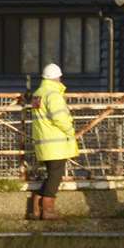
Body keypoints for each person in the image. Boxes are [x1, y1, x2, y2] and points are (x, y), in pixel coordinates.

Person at [28, 62, 78, 221]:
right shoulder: (53, 95)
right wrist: (71, 131)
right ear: (57, 78)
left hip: (43, 141)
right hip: (56, 142)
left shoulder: (38, 94)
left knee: (51, 174)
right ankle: (47, 209)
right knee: (56, 175)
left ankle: (36, 207)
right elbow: (59, 117)